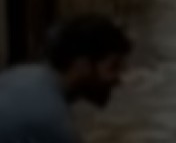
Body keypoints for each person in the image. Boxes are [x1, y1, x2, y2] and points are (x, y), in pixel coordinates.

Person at [0, 14, 133, 142]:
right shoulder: (53, 120)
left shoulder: (20, 74)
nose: (118, 80)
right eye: (113, 67)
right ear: (82, 65)